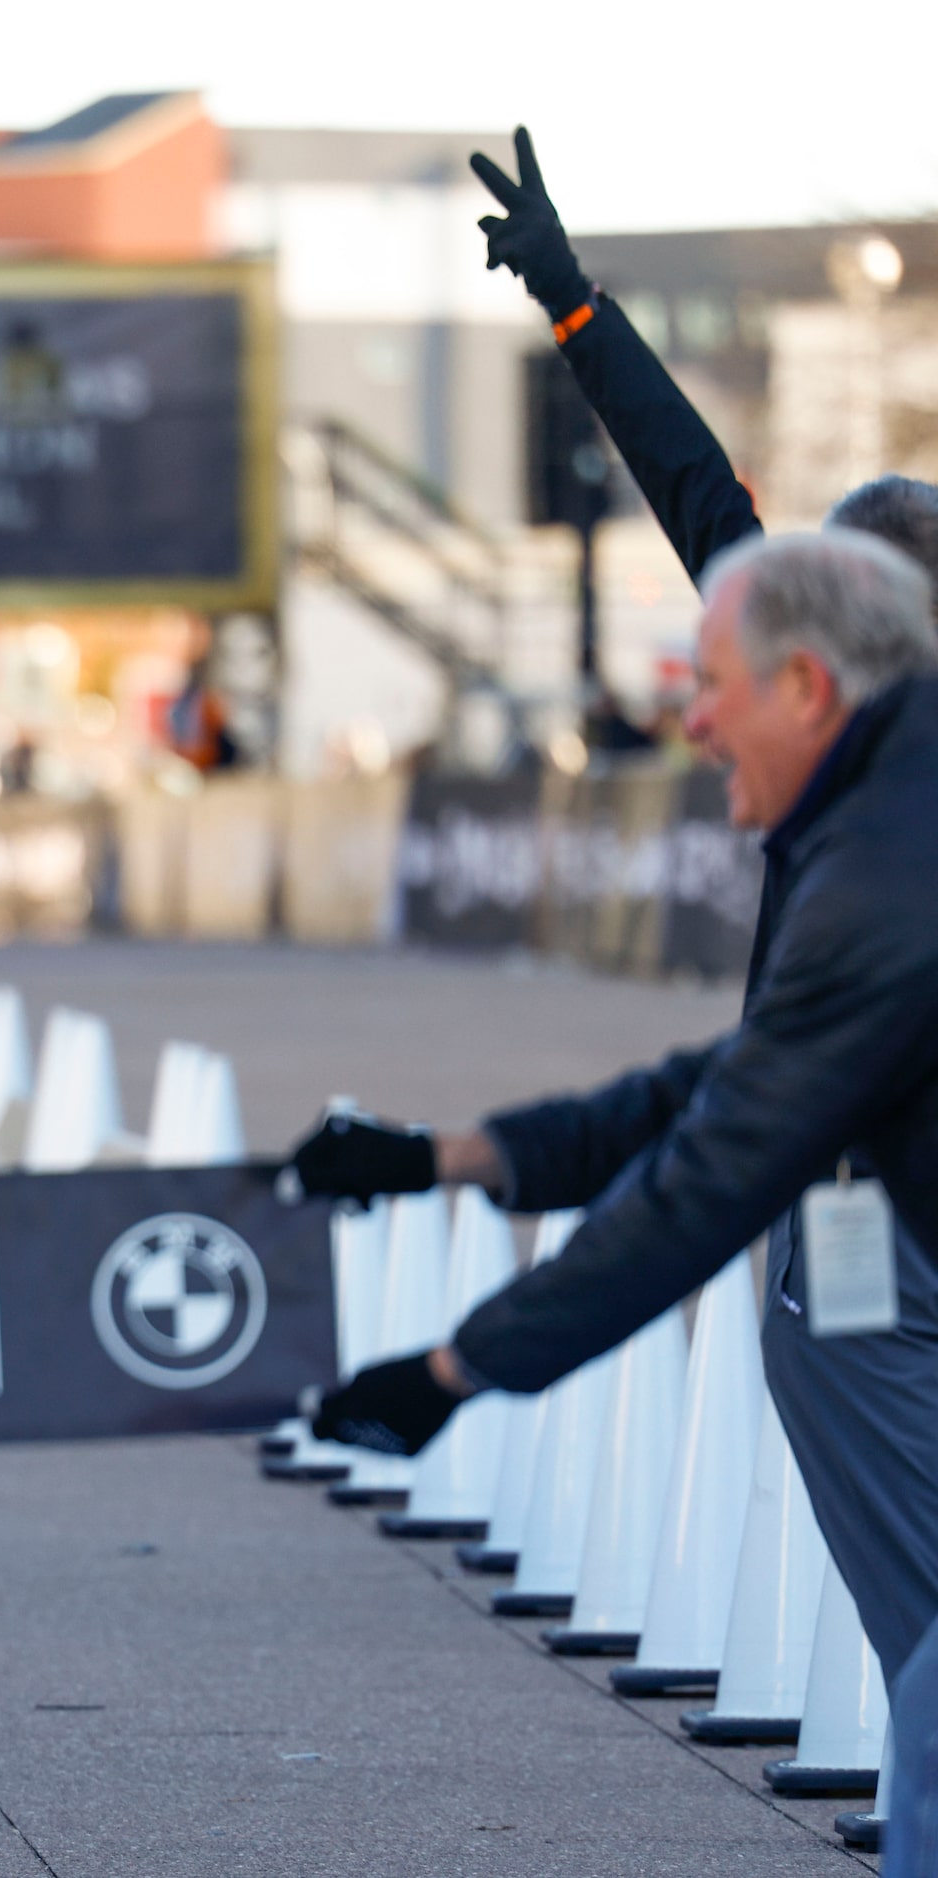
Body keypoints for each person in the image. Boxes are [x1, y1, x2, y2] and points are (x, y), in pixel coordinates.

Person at [292, 531, 938, 1867]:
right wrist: (449, 1156)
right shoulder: (892, 818)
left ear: (810, 686)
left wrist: (459, 1366)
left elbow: (709, 1181)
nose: (688, 723)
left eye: (712, 684)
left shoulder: (891, 865)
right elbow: (730, 1082)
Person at [472, 127, 938, 597]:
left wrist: (570, 299)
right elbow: (691, 480)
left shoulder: (791, 646)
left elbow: (690, 478)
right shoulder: (798, 642)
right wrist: (571, 302)